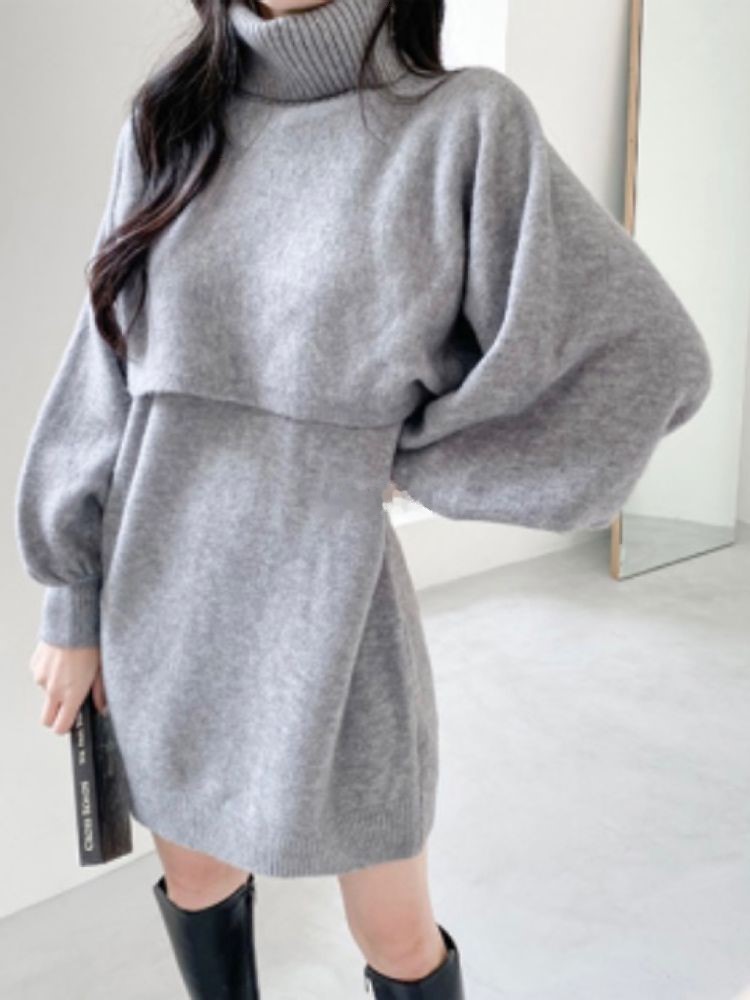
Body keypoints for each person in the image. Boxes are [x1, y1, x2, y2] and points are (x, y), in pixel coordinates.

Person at [13, 0, 712, 997]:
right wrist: (72, 594)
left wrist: (416, 458)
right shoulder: (169, 119)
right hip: (164, 600)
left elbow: (647, 357)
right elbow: (103, 373)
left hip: (334, 613)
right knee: (200, 878)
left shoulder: (463, 125)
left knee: (394, 933)